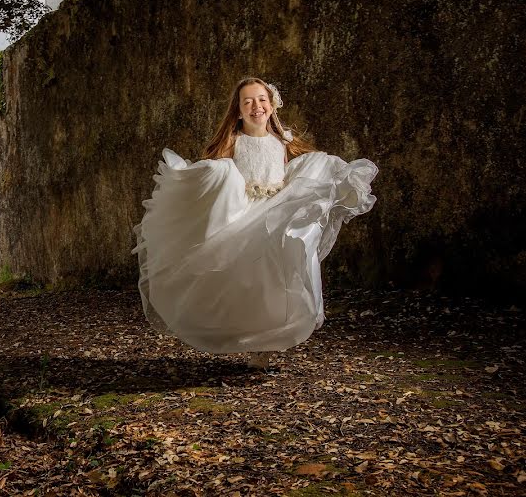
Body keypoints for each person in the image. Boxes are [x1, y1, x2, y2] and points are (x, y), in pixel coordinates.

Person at [132, 77, 378, 368]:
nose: (256, 106)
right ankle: (243, 332)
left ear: (272, 105)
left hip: (275, 211)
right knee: (246, 278)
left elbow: (296, 170)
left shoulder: (283, 142)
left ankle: (266, 342)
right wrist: (213, 173)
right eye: (247, 102)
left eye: (261, 99)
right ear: (238, 111)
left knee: (275, 275)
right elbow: (218, 171)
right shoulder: (233, 142)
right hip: (243, 213)